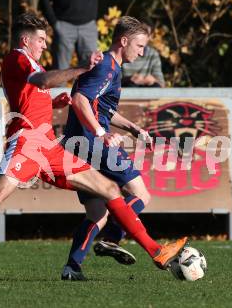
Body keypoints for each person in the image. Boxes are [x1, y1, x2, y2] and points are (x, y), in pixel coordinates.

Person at [0, 13, 187, 274]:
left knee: (109, 188)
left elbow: (32, 96)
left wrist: (54, 101)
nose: (44, 44)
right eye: (40, 39)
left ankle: (157, 251)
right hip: (27, 143)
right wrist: (80, 68)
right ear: (25, 40)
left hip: (49, 146)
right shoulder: (17, 58)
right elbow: (40, 80)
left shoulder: (31, 62)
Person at [60, 16, 174, 281]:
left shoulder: (110, 67)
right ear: (124, 41)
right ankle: (112, 238)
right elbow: (79, 100)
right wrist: (101, 134)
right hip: (92, 143)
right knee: (140, 193)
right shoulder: (107, 68)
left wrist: (132, 128)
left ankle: (72, 268)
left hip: (77, 145)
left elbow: (103, 110)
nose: (142, 52)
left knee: (96, 213)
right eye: (139, 45)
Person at [40, 0, 98, 72]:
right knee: (60, 72)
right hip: (64, 26)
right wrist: (54, 22)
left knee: (91, 71)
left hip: (89, 27)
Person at [121, 21, 165, 88]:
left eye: (145, 33)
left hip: (149, 92)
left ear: (150, 37)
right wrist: (129, 79)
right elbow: (112, 82)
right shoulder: (123, 52)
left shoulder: (153, 54)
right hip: (127, 91)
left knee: (155, 86)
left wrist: (152, 80)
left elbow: (161, 84)